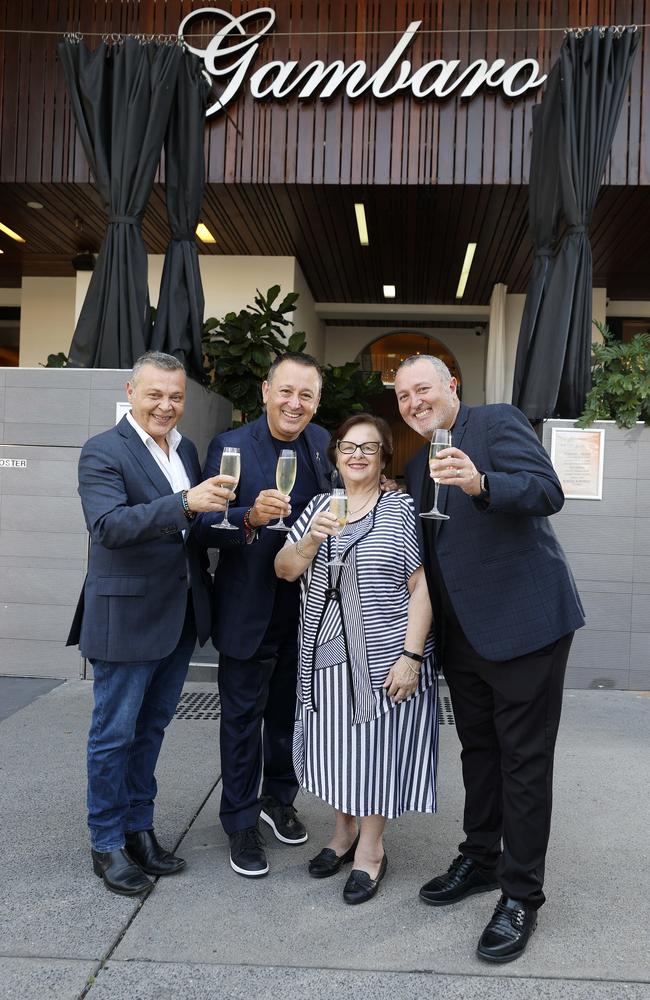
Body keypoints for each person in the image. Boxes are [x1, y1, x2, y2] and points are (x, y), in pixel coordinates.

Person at [394, 354, 585, 962]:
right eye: (402, 397)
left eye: (422, 389)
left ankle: (521, 894)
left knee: (523, 760)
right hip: (462, 637)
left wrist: (481, 484)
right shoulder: (417, 464)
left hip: (526, 626)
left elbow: (547, 492)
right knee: (477, 751)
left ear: (452, 384)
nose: (414, 402)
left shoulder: (497, 422)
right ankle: (480, 856)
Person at [67, 352, 235, 897]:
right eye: (155, 394)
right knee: (113, 735)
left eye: (176, 396)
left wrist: (242, 522)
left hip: (179, 614)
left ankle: (139, 830)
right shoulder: (102, 450)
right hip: (127, 615)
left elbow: (189, 530)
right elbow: (110, 526)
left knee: (152, 730)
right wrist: (185, 501)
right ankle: (106, 841)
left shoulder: (183, 448)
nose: (166, 405)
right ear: (131, 391)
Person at [275, 413, 437, 905]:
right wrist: (312, 539)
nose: (358, 455)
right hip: (325, 659)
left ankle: (370, 849)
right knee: (337, 753)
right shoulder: (318, 509)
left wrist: (411, 656)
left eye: (370, 447)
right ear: (336, 456)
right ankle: (342, 834)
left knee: (374, 755)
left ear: (385, 456)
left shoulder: (402, 509)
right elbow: (284, 570)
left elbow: (423, 586)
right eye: (349, 447)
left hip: (386, 658)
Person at [193, 353, 332, 878]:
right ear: (266, 390)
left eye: (307, 396)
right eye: (286, 391)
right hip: (247, 608)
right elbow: (203, 529)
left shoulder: (322, 445)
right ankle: (240, 821)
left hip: (304, 611)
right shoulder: (229, 447)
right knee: (241, 721)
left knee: (286, 717)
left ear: (316, 403)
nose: (295, 404)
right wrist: (247, 517)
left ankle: (279, 799)